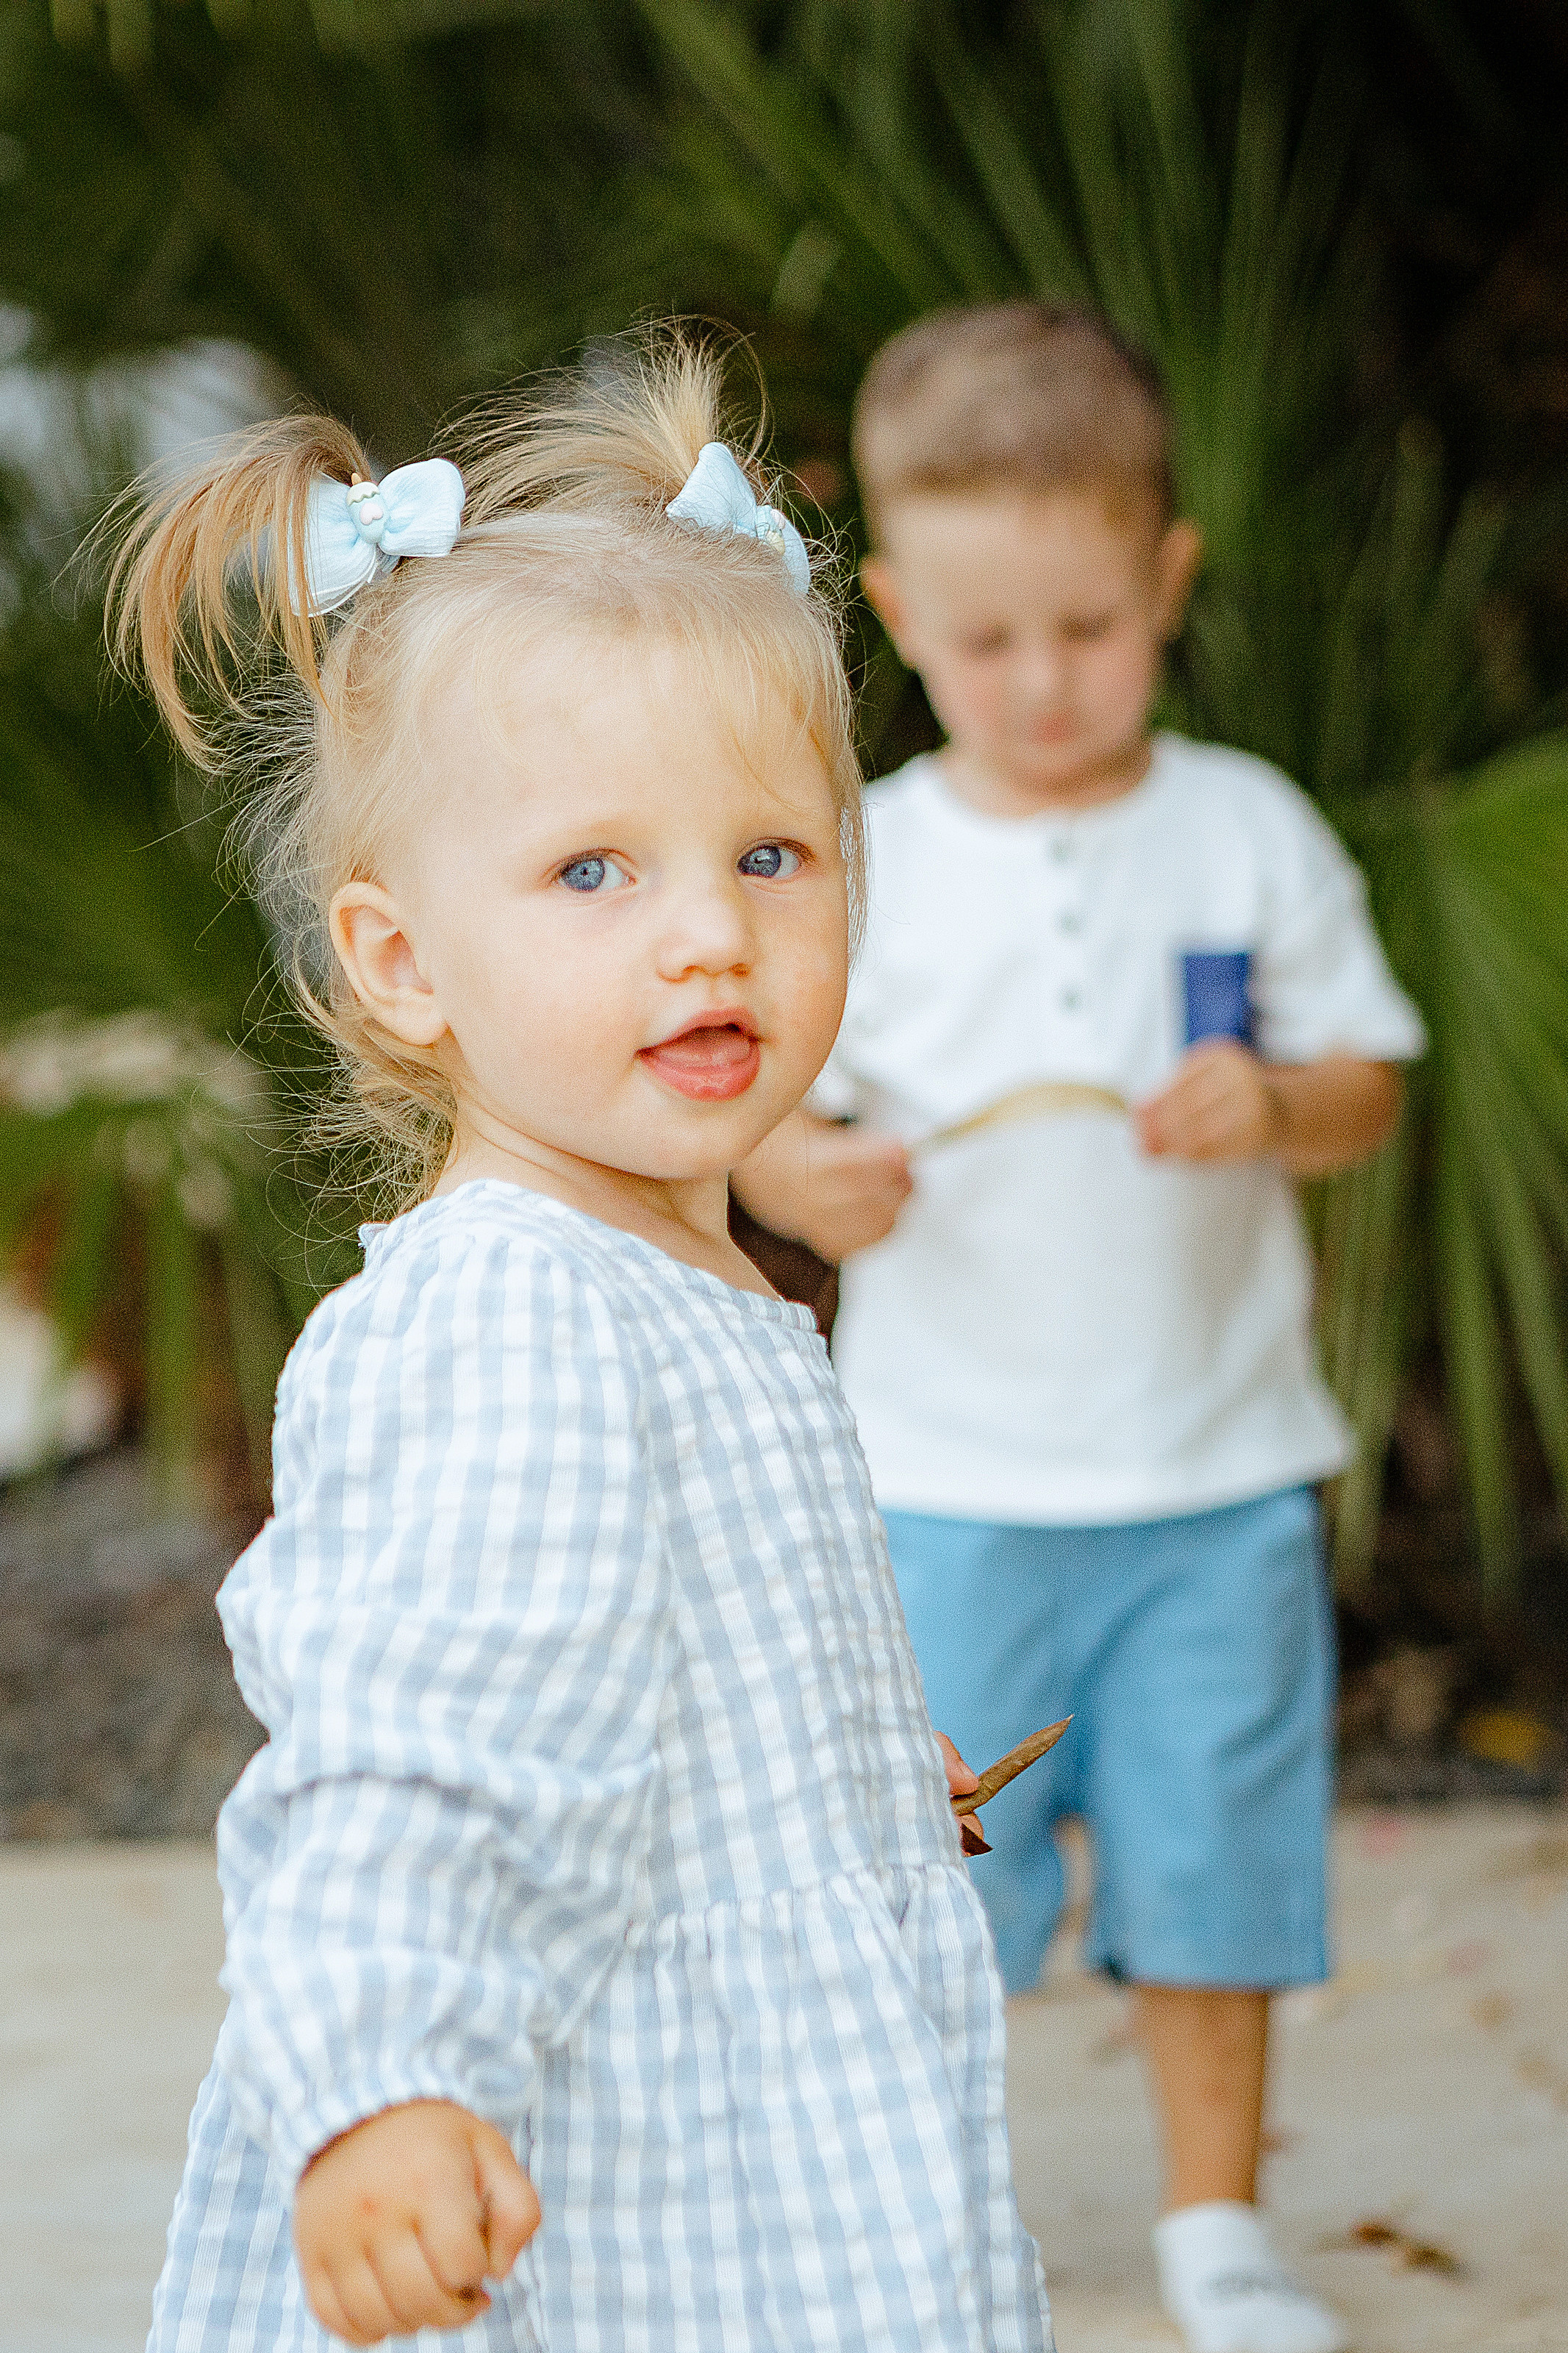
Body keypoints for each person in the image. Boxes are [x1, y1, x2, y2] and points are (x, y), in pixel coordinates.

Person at [111, 332, 1052, 2353]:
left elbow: (621, 1656)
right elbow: (416, 1748)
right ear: (401, 959)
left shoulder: (665, 1269)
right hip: (608, 2192)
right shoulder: (512, 1309)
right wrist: (384, 2080)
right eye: (592, 872)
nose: (706, 933)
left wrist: (823, 1771)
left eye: (770, 857)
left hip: (743, 2137)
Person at [734, 302, 1426, 2353]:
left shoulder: (1246, 828)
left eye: (1090, 628)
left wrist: (1278, 1103)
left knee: (1216, 1872)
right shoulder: (859, 859)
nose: (1042, 683)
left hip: (1217, 1476)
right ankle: (923, 2218)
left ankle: (1219, 2225)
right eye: (985, 640)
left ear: (1169, 581)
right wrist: (801, 1177)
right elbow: (760, 1107)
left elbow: (1366, 1085)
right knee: (931, 1884)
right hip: (948, 1492)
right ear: (892, 615)